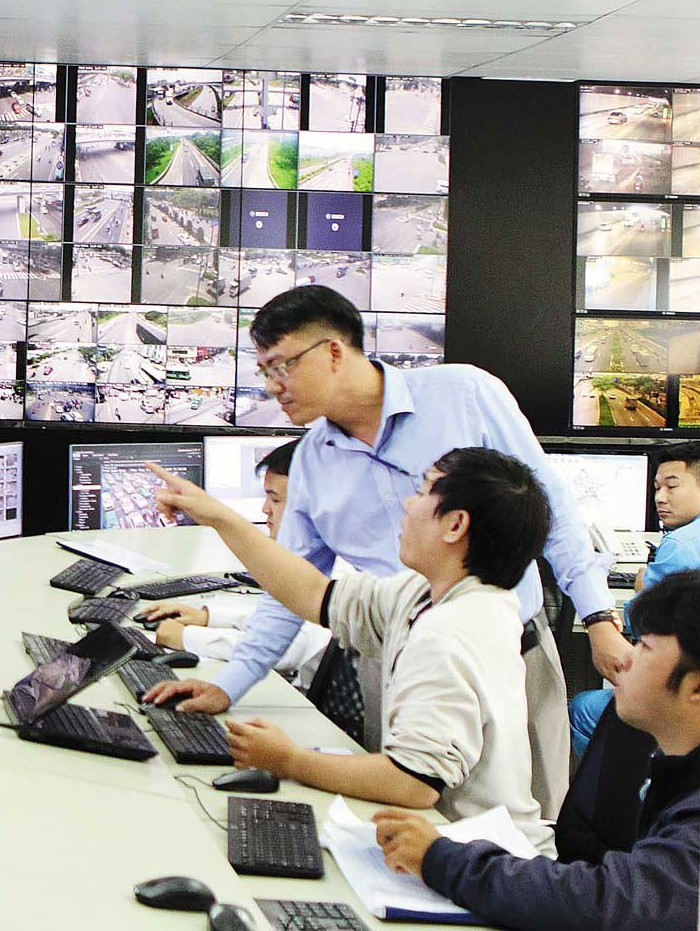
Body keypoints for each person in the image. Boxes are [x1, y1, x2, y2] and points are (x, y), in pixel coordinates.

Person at [144, 286, 621, 817]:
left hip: (516, 650)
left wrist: (598, 618)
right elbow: (299, 589)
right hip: (392, 651)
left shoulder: (465, 394)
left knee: (526, 816)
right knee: (408, 819)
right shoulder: (313, 464)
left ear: (333, 351)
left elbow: (550, 507)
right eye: (264, 371)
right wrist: (228, 686)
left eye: (282, 366)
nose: (273, 386)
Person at [149, 448, 554, 852]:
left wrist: (289, 761)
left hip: (478, 853)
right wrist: (220, 518)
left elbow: (414, 782)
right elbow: (313, 593)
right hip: (444, 838)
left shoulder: (451, 632)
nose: (407, 504)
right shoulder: (429, 595)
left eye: (422, 491)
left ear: (455, 525)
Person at [373, 570, 700, 930]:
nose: (626, 657)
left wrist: (440, 860)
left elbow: (610, 901)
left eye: (644, 646)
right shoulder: (673, 767)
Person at [140, 439, 335, 687]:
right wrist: (209, 617)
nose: (265, 509)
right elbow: (284, 617)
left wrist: (187, 637)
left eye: (275, 500)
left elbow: (289, 647)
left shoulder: (341, 568)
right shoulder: (317, 556)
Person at [569, 442, 700, 756]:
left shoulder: (681, 544)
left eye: (672, 487)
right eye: (656, 488)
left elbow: (645, 628)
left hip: (684, 690)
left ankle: (628, 784)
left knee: (582, 708)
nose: (660, 498)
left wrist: (642, 587)